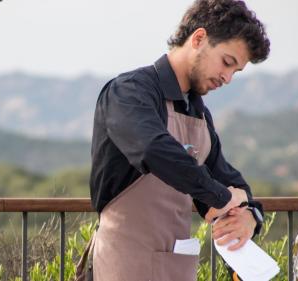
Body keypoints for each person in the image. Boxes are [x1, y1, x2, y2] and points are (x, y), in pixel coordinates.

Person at [88, 0, 270, 280]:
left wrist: (250, 217)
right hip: (122, 264)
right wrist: (222, 197)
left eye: (236, 71)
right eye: (227, 62)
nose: (228, 78)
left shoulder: (199, 114)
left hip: (177, 267)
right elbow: (155, 150)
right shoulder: (129, 92)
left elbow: (233, 183)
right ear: (198, 38)